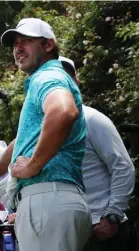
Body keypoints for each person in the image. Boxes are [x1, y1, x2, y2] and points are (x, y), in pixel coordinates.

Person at [0, 18, 91, 251]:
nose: (18, 48)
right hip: (54, 202)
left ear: (48, 45)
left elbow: (63, 111)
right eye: (16, 43)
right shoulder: (46, 79)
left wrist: (33, 166)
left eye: (26, 41)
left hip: (46, 200)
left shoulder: (46, 76)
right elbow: (22, 143)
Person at [59, 56, 135, 251]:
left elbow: (123, 167)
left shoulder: (92, 120)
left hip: (102, 231)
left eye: (67, 78)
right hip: (68, 232)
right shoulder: (43, 130)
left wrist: (112, 215)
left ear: (76, 82)